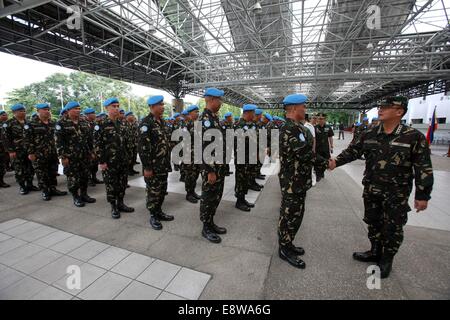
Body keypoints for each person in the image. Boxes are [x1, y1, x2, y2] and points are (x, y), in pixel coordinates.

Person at [328, 96, 433, 278]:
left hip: (396, 194)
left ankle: (387, 258)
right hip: (372, 189)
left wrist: (422, 195)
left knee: (393, 227)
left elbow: (423, 168)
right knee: (373, 221)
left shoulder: (413, 137)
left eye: (386, 106)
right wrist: (335, 162)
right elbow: (353, 151)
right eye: (380, 106)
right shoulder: (370, 133)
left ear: (399, 111)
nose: (380, 109)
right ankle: (375, 250)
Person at [278, 94, 327, 269]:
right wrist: (327, 162)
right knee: (289, 215)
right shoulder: (289, 129)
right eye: (302, 107)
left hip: (298, 180)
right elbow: (305, 152)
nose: (304, 110)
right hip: (292, 181)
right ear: (292, 109)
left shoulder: (298, 128)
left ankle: (289, 242)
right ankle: (284, 248)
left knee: (296, 215)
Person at [95, 98, 134, 219]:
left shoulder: (123, 123)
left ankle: (121, 203)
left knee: (122, 183)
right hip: (109, 162)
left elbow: (127, 142)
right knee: (111, 185)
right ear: (107, 108)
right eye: (113, 106)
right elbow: (97, 144)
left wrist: (129, 157)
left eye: (117, 106)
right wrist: (101, 161)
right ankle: (113, 206)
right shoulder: (100, 124)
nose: (116, 108)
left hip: (122, 160)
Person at [139, 95, 173, 229]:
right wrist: (147, 167)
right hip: (152, 166)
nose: (163, 107)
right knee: (153, 191)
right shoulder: (146, 123)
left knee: (162, 190)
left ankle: (159, 211)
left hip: (163, 164)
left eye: (163, 105)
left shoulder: (162, 122)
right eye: (160, 105)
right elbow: (143, 148)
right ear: (152, 107)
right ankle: (153, 215)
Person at [199, 88, 227, 243]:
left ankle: (211, 222)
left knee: (216, 196)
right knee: (208, 197)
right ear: (210, 100)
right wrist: (209, 170)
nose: (221, 103)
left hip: (219, 166)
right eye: (219, 100)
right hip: (211, 168)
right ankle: (206, 227)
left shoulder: (214, 118)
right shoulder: (204, 119)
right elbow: (202, 147)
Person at [55, 101, 95, 207]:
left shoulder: (84, 122)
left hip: (84, 154)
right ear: (68, 110)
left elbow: (89, 139)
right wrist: (63, 157)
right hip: (71, 156)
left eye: (79, 108)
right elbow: (59, 141)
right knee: (73, 178)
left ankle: (84, 194)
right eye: (75, 109)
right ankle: (75, 197)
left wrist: (91, 151)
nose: (78, 110)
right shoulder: (61, 123)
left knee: (85, 176)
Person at [24, 103, 67, 200]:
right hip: (39, 154)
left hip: (52, 153)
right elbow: (27, 140)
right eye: (44, 109)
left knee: (52, 172)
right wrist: (31, 153)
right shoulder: (31, 124)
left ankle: (53, 189)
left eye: (48, 109)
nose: (47, 111)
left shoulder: (53, 123)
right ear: (38, 111)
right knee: (41, 173)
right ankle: (45, 191)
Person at [2, 103, 38, 194]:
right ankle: (22, 186)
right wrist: (10, 151)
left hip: (29, 150)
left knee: (30, 168)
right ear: (14, 112)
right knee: (19, 169)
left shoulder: (28, 122)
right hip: (17, 151)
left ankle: (30, 184)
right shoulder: (8, 124)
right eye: (21, 111)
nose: (23, 113)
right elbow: (5, 139)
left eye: (24, 111)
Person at [234, 104, 258, 212]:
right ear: (247, 113)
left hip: (249, 157)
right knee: (241, 179)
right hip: (241, 157)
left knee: (246, 179)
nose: (254, 114)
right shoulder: (238, 125)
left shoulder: (250, 124)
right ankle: (239, 201)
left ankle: (243, 199)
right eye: (253, 112)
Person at [183, 105, 202, 204]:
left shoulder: (198, 124)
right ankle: (188, 194)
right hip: (189, 155)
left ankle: (193, 191)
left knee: (195, 174)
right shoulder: (185, 125)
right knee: (189, 175)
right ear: (190, 113)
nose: (197, 113)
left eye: (198, 111)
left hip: (197, 154)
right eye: (195, 112)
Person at [84, 108, 104, 186]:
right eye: (93, 113)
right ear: (88, 115)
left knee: (94, 165)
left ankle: (94, 177)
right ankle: (88, 179)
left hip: (95, 147)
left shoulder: (94, 123)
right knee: (88, 165)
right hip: (88, 148)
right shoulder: (84, 124)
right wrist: (89, 151)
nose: (95, 115)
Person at [314, 113, 334, 182]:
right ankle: (318, 174)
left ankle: (322, 172)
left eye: (322, 119)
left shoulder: (328, 127)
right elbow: (313, 139)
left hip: (325, 148)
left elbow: (330, 137)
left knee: (325, 161)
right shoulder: (315, 128)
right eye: (319, 119)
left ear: (325, 119)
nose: (320, 120)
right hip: (317, 148)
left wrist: (331, 146)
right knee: (317, 162)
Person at [303, 114, 317, 187]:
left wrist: (313, 149)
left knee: (310, 165)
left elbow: (314, 138)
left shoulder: (309, 126)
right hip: (303, 149)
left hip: (309, 148)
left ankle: (313, 180)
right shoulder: (299, 125)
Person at [220, 112, 234, 176]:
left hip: (229, 144)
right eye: (231, 116)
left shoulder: (230, 123)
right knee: (224, 158)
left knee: (228, 157)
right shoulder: (222, 123)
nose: (232, 118)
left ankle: (227, 170)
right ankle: (224, 171)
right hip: (224, 144)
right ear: (228, 117)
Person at [0, 110, 10, 188]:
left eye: (6, 115)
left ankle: (1, 181)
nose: (5, 116)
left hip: (4, 149)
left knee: (3, 166)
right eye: (3, 115)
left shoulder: (6, 124)